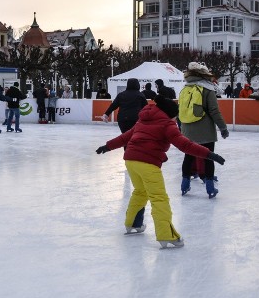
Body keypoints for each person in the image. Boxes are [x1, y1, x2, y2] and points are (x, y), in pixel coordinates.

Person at [95, 95, 226, 248]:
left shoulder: (143, 120)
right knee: (159, 198)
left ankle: (132, 223)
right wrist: (209, 154)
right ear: (170, 113)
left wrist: (107, 146)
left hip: (130, 160)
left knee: (140, 191)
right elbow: (186, 145)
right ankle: (166, 235)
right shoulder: (167, 125)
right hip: (147, 163)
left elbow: (125, 137)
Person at [178, 62, 229, 198]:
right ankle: (210, 187)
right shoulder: (207, 89)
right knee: (208, 157)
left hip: (187, 130)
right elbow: (214, 111)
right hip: (205, 130)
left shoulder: (185, 88)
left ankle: (184, 184)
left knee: (188, 157)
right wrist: (223, 127)